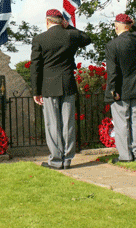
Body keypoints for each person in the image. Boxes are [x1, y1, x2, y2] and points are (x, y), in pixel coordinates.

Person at [30, 9, 92, 170]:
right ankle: (67, 159)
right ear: (61, 21)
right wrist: (70, 26)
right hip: (68, 83)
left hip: (48, 86)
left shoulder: (39, 39)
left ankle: (56, 160)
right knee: (68, 123)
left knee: (53, 124)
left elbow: (35, 68)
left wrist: (36, 91)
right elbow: (87, 38)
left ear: (47, 21)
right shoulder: (70, 35)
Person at [104, 13, 136, 163]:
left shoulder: (112, 45)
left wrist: (112, 90)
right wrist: (135, 24)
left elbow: (112, 71)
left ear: (116, 26)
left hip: (121, 89)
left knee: (122, 123)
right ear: (129, 25)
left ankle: (125, 156)